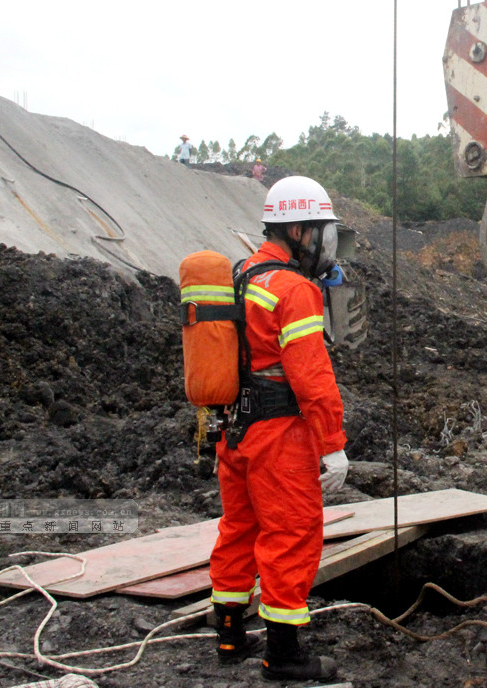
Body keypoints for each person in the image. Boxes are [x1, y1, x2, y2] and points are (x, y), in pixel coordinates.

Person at [209, 175, 348, 682]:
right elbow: (312, 377)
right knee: (290, 534)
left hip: (233, 428)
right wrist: (332, 444)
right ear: (297, 230)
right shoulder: (294, 289)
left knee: (238, 529)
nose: (322, 244)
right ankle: (284, 655)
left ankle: (228, 633)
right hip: (278, 433)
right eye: (319, 232)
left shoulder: (240, 273)